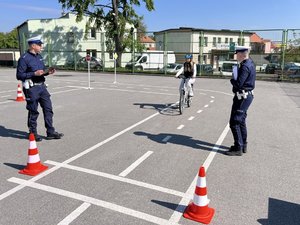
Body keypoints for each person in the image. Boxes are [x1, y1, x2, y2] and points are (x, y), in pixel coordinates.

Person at [16, 35, 63, 142]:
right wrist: (33, 73)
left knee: (48, 109)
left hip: (42, 87)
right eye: (39, 44)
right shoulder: (24, 59)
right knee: (33, 111)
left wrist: (47, 72)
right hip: (31, 88)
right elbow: (19, 75)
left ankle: (50, 132)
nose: (41, 46)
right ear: (33, 45)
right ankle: (33, 133)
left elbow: (41, 72)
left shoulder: (39, 56)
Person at [225, 46, 256, 156]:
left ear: (243, 54)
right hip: (246, 96)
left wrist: (232, 79)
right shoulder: (250, 63)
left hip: (242, 96)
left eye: (237, 54)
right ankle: (243, 145)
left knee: (234, 122)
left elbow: (239, 84)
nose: (236, 56)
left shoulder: (245, 66)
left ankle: (238, 147)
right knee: (241, 121)